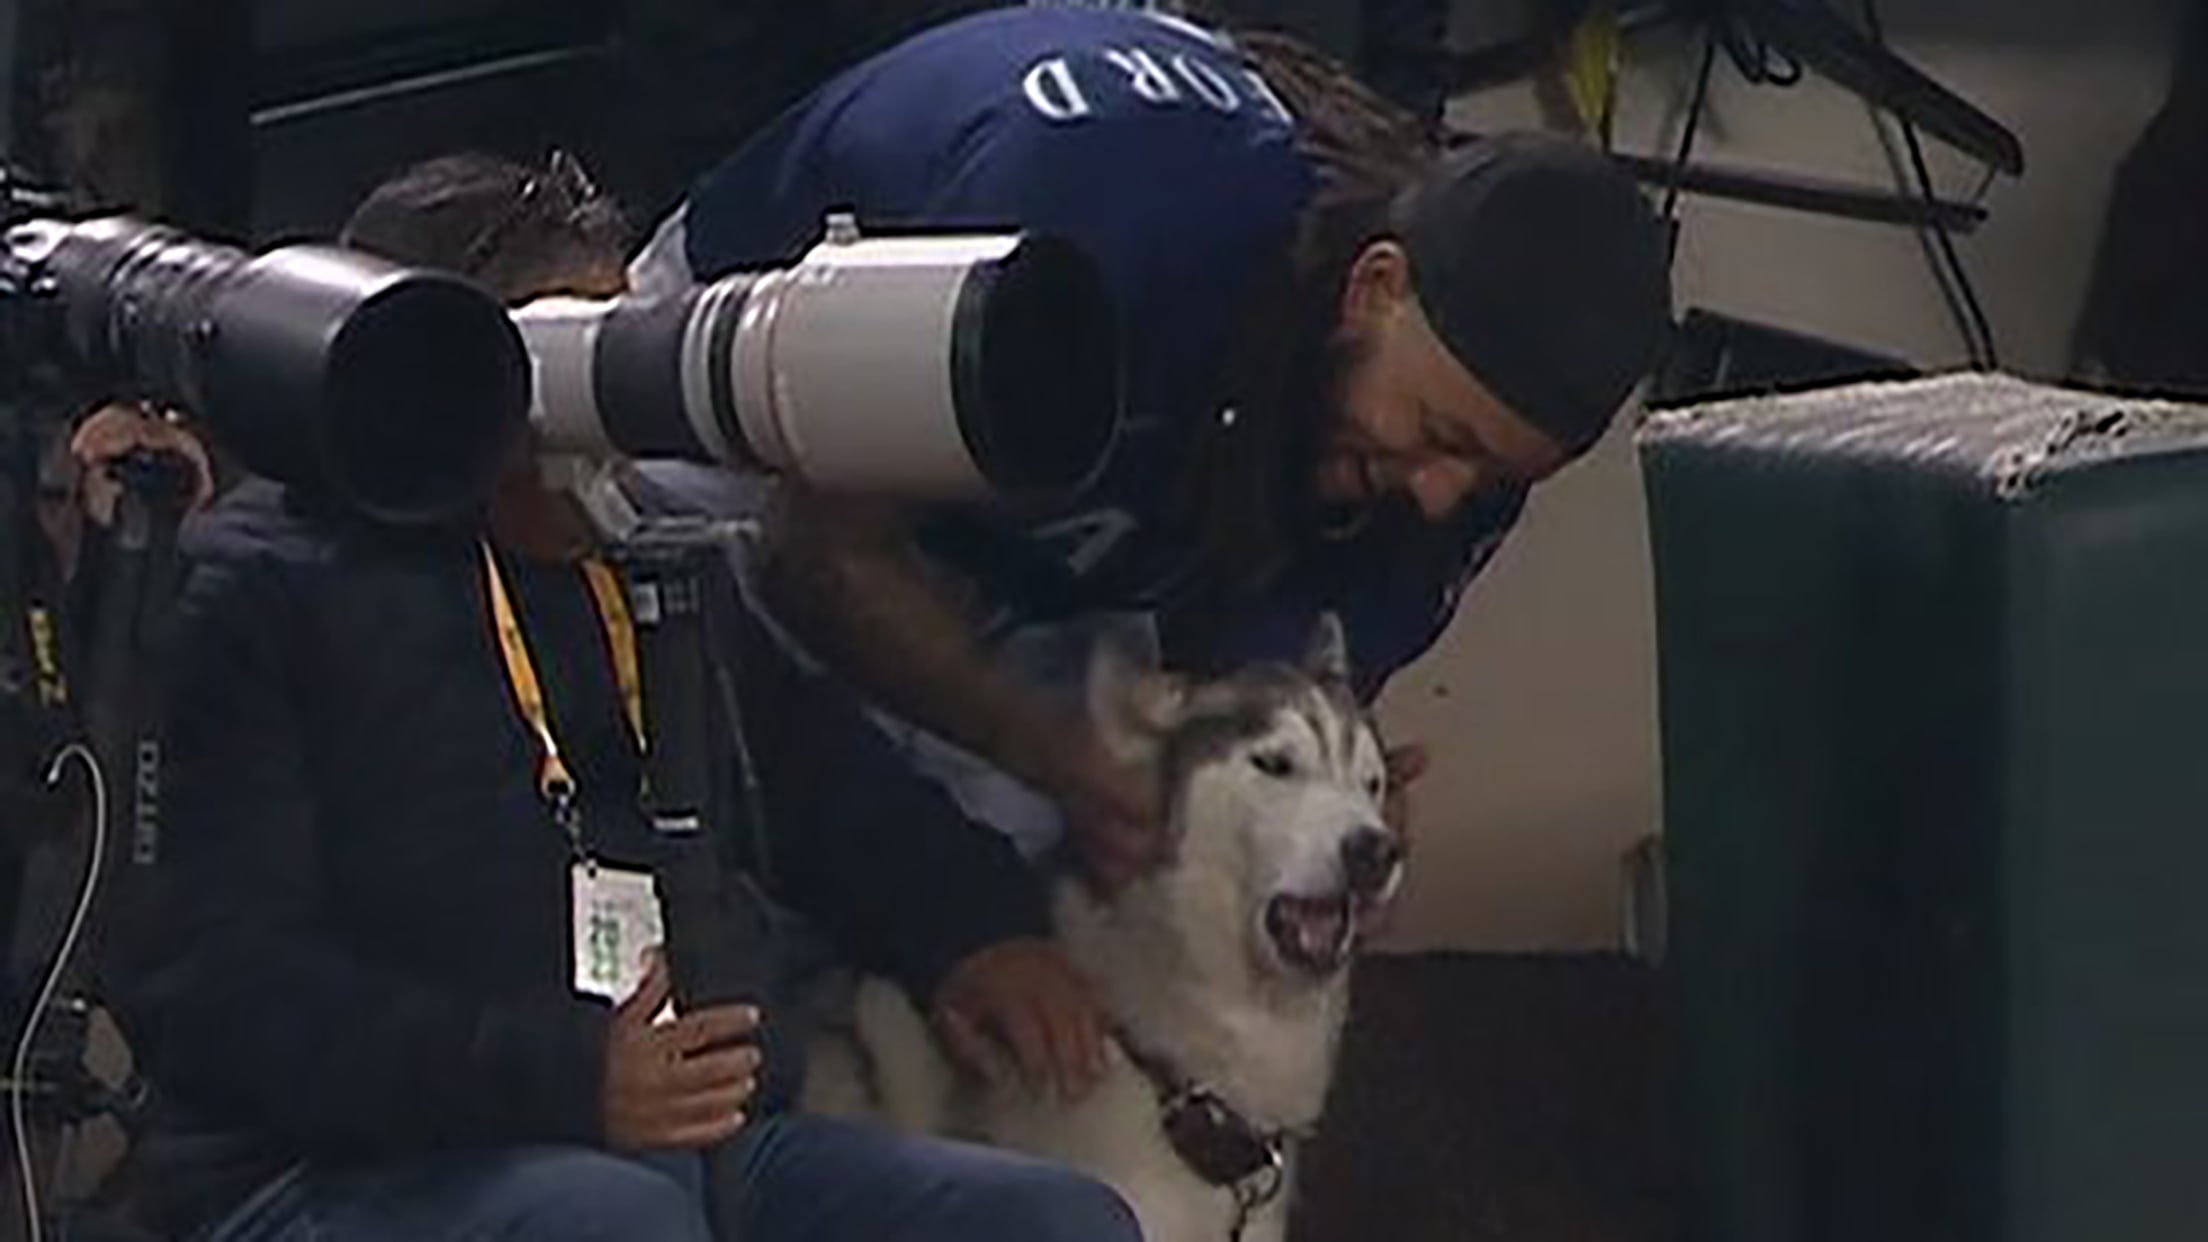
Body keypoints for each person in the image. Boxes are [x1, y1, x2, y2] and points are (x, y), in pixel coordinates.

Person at [111, 150, 1138, 1242]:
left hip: (687, 1154)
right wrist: (561, 1081)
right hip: (354, 1171)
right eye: (569, 357)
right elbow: (223, 989)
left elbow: (825, 784)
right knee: (612, 1222)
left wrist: (971, 929)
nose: (613, 409)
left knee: (1053, 1222)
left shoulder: (643, 556)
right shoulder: (252, 589)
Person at [629, 5, 1675, 887]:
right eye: (1442, 437)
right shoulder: (1108, 218)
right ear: (1376, 288)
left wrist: (1317, 785)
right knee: (757, 793)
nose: (1445, 495)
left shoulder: (1458, 454)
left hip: (1034, 555)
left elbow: (1257, 698)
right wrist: (1043, 753)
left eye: (1491, 475)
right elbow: (816, 556)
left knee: (1108, 853)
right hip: (743, 431)